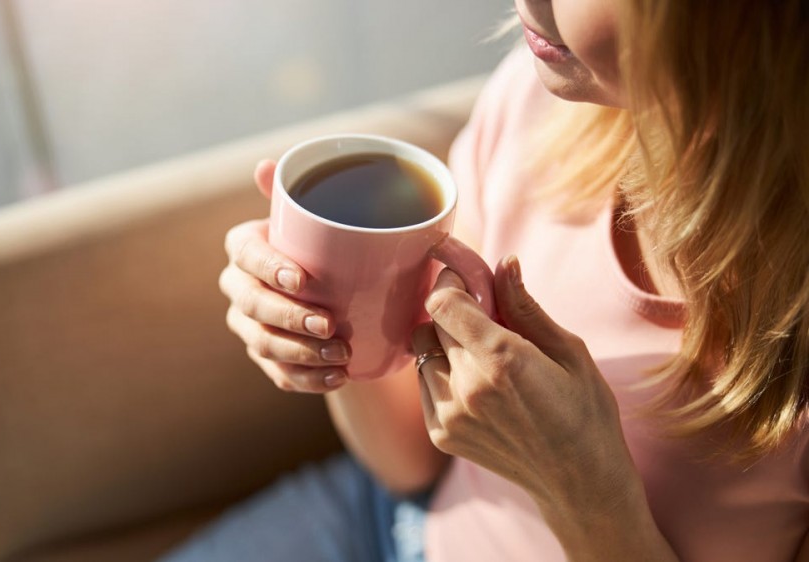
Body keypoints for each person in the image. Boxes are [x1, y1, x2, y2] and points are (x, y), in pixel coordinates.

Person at [165, 0, 809, 560]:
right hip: (394, 527)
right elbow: (408, 463)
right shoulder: (536, 102)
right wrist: (326, 317)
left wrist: (582, 491)